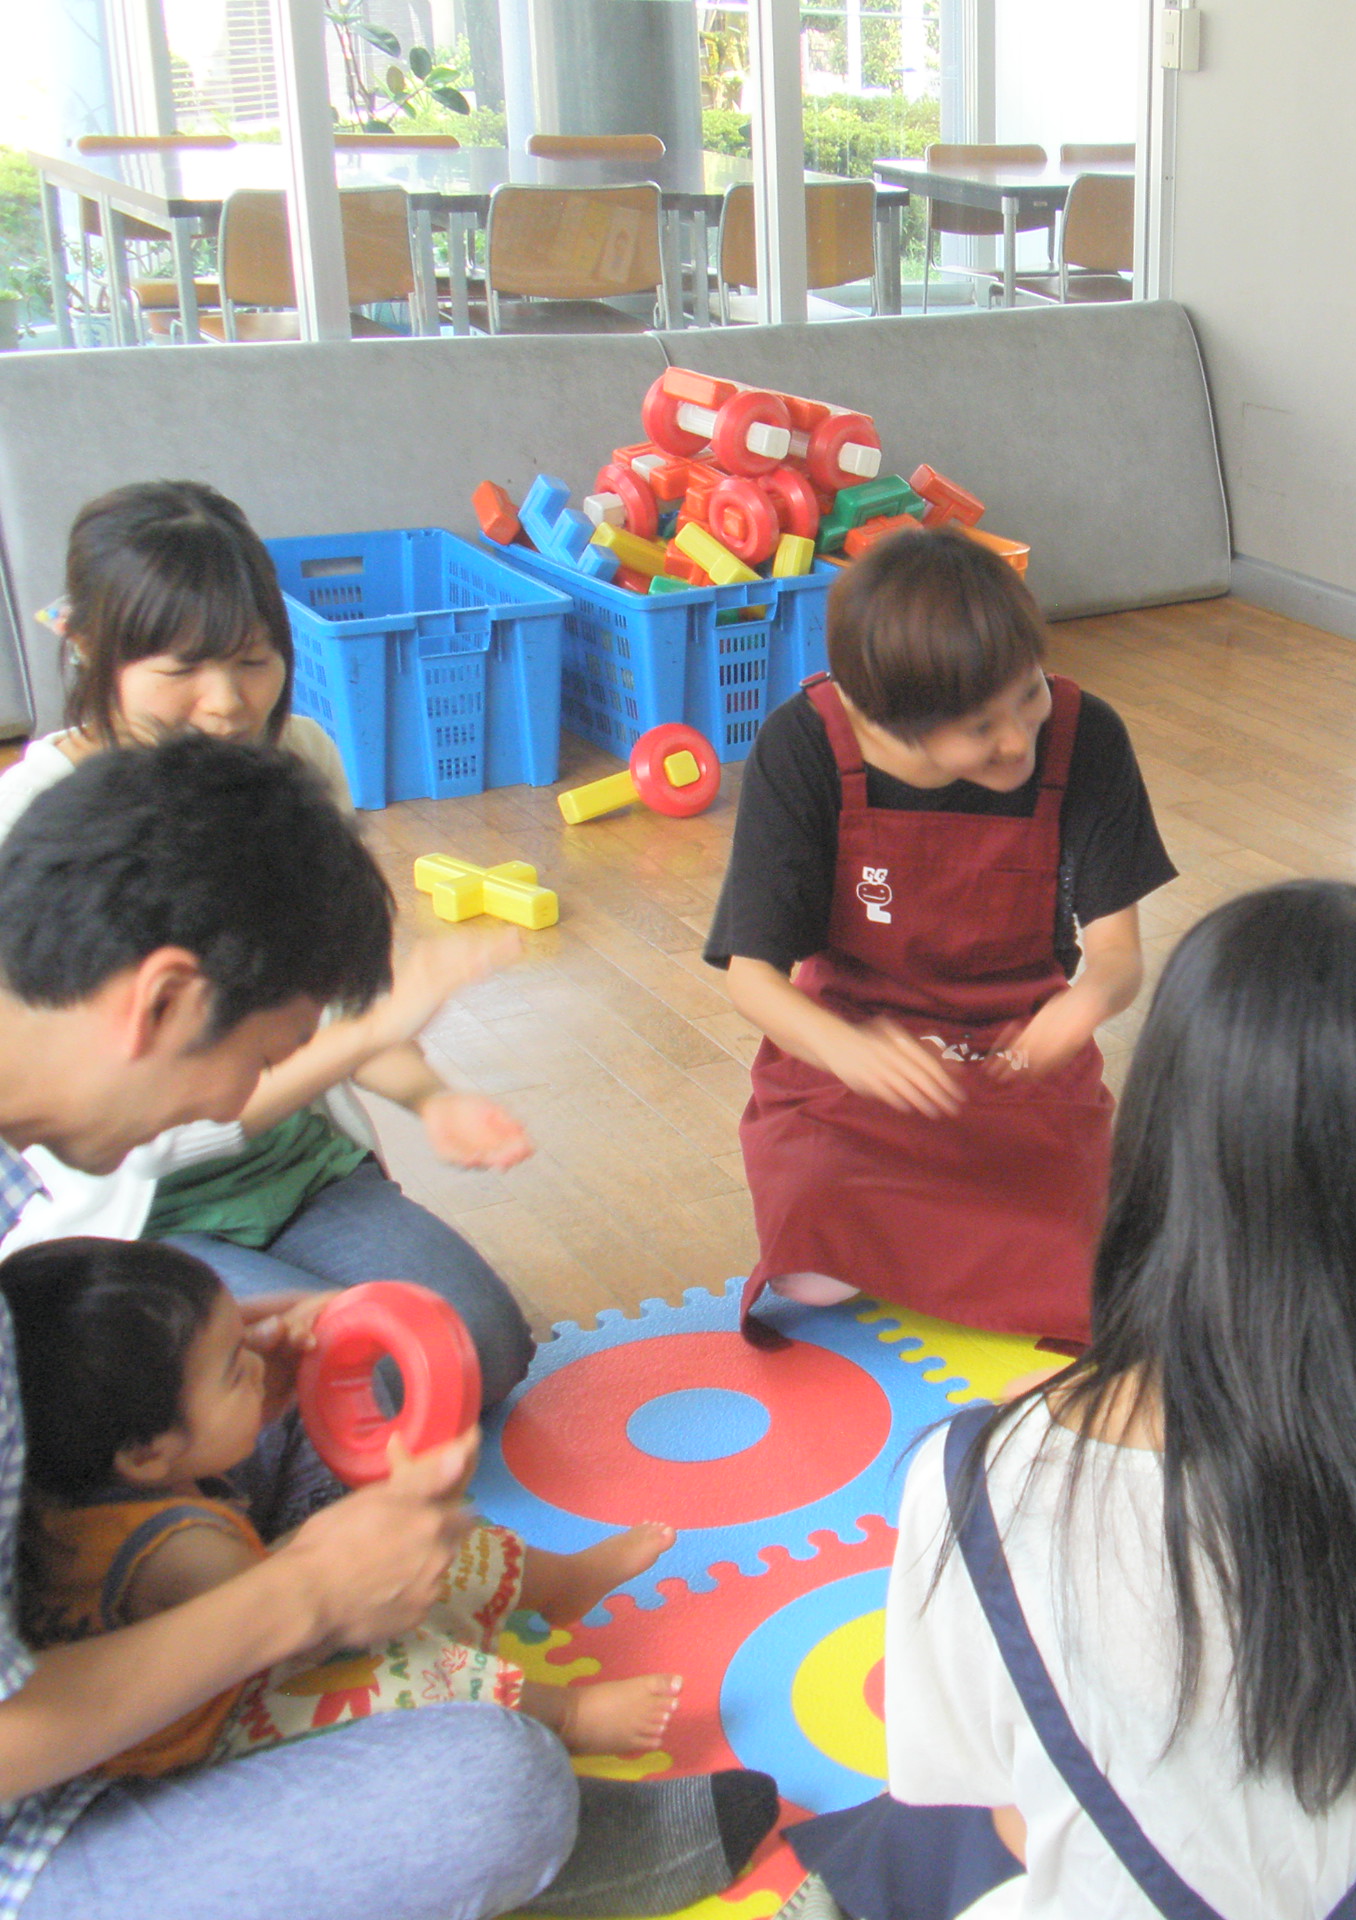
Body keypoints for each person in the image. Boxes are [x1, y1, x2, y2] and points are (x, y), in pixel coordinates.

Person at [0, 737, 776, 1920]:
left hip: (67, 1576)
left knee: (314, 1397)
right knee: (491, 1791)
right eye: (262, 1059)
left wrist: (197, 1348)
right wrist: (303, 1596)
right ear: (161, 998)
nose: (243, 1103)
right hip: (44, 1813)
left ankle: (372, 1710)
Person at [790, 881, 1356, 1918]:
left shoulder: (978, 1480)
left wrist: (1047, 1421)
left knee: (942, 1835)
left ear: (1161, 1148)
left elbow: (1007, 1809)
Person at [0, 479, 536, 1406]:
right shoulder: (42, 826)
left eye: (254, 661)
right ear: (87, 645)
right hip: (140, 1207)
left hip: (293, 1170)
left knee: (456, 1352)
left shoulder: (292, 769)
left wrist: (428, 1094)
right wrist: (370, 1033)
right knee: (279, 1399)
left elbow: (332, 1006)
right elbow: (184, 1118)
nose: (227, 704)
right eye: (182, 669)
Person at [708, 526, 1174, 1345]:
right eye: (979, 726)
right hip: (851, 1060)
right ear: (884, 720)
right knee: (810, 1258)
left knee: (1099, 1270)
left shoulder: (1086, 734)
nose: (1017, 740)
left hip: (1015, 1060)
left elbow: (1116, 957)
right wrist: (851, 1052)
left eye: (1027, 694)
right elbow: (753, 976)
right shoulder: (805, 745)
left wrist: (1085, 1004)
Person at [4, 1236, 684, 1767]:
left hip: (250, 1619)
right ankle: (569, 1717)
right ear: (145, 1453)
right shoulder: (181, 1550)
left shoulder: (98, 1484)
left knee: (457, 1549)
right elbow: (317, 1628)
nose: (258, 1363)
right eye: (235, 1370)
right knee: (406, 1665)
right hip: (225, 1713)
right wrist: (419, 1500)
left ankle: (563, 1583)